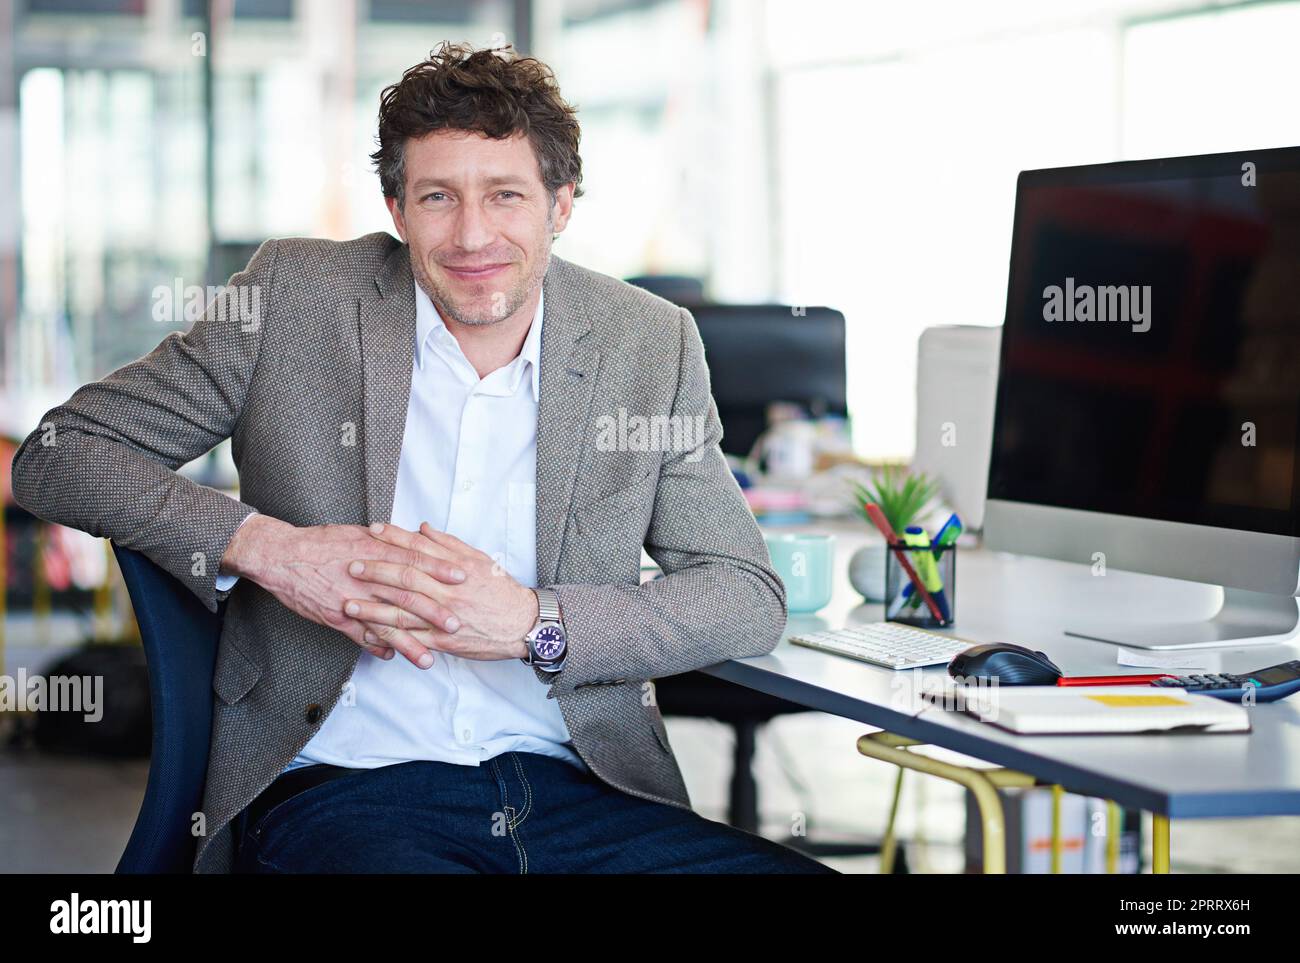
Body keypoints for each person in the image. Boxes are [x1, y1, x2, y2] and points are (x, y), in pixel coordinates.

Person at [13, 40, 833, 875]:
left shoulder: (649, 342)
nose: (472, 235)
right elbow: (58, 453)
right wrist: (274, 551)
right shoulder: (295, 298)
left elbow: (745, 594)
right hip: (349, 788)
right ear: (398, 209)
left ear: (562, 203)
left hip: (583, 788)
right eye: (439, 196)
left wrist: (531, 622)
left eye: (506, 195)